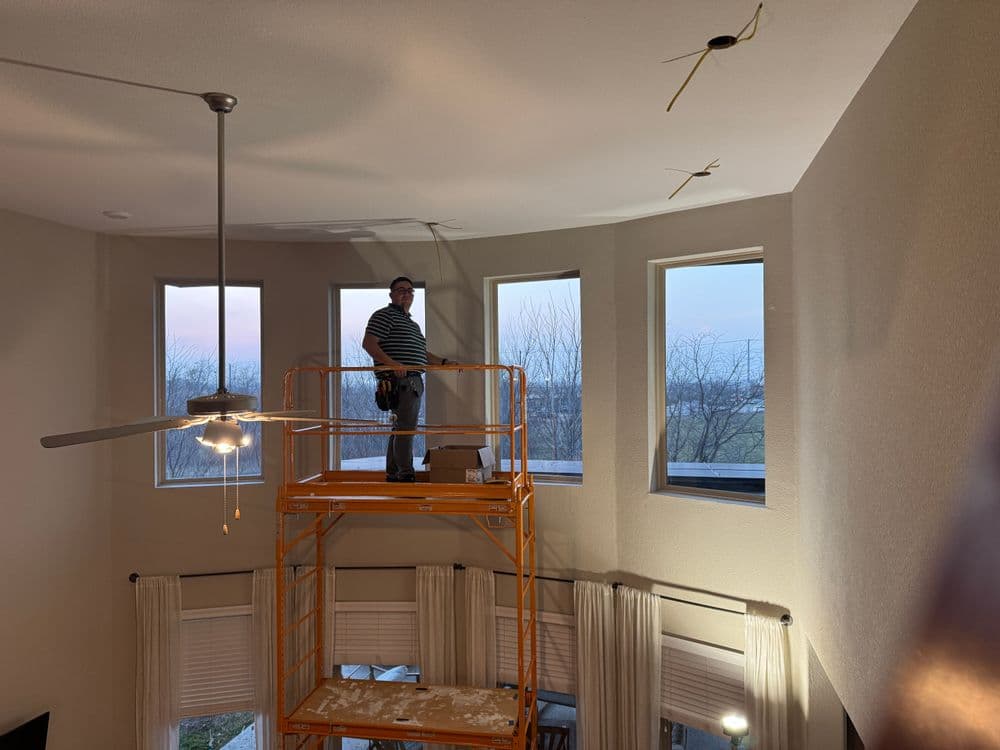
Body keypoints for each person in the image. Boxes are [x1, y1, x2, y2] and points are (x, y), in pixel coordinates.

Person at [362, 276, 453, 482]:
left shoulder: (412, 324)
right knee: (405, 429)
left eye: (410, 291)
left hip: (411, 381)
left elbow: (423, 354)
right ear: (391, 294)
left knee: (400, 428)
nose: (406, 293)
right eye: (401, 290)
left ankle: (394, 472)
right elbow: (369, 344)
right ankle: (405, 474)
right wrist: (393, 364)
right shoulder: (383, 316)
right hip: (399, 381)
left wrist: (445, 362)